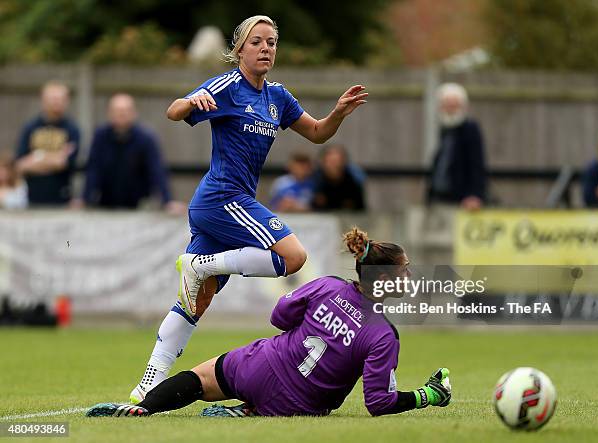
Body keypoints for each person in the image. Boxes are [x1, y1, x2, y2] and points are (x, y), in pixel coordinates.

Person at [130, 15, 368, 403]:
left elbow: (318, 133)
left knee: (195, 302)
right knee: (293, 256)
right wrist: (192, 101)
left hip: (225, 205)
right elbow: (173, 111)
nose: (265, 49)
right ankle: (200, 266)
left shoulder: (278, 97)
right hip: (223, 199)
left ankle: (145, 387)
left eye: (271, 42)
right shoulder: (228, 86)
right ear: (239, 49)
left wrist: (338, 112)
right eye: (257, 42)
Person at [86, 228, 451, 418]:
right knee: (268, 403)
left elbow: (279, 317)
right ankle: (246, 413)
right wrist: (427, 395)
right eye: (404, 269)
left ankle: (146, 408)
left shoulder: (327, 286)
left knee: (200, 378)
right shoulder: (383, 334)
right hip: (302, 404)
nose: (409, 275)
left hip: (263, 365)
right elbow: (379, 402)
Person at [75, 93, 184, 213]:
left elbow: (156, 170)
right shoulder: (100, 136)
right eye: (117, 110)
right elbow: (93, 169)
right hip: (105, 202)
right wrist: (84, 199)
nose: (122, 114)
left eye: (126, 110)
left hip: (139, 204)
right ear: (109, 113)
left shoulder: (146, 138)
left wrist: (167, 201)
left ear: (134, 113)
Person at [14, 81, 79, 206]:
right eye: (52, 99)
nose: (56, 102)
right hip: (30, 196)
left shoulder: (72, 129)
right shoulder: (30, 127)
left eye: (60, 99)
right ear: (43, 100)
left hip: (61, 197)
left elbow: (64, 163)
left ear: (67, 101)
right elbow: (20, 165)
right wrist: (53, 158)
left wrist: (35, 158)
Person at [427, 83, 487, 210]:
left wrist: (474, 194)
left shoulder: (470, 129)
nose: (450, 108)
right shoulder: (445, 130)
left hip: (461, 199)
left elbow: (477, 163)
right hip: (440, 197)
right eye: (446, 104)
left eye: (454, 105)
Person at [312, 144, 365, 211]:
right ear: (323, 162)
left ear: (344, 162)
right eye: (331, 161)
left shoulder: (353, 181)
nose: (334, 165)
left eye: (337, 161)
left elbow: (360, 210)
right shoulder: (314, 181)